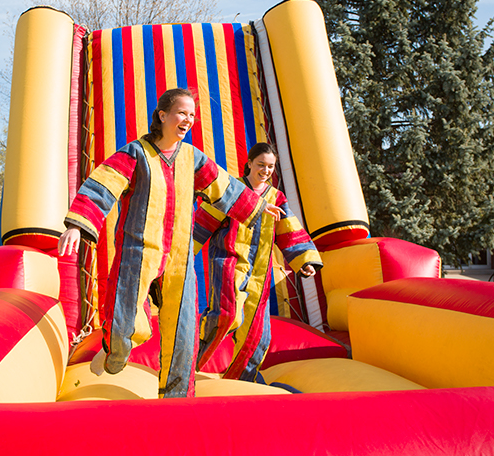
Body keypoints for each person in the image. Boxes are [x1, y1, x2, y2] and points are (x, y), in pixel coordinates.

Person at [58, 88, 283, 398]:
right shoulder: (135, 153)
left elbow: (223, 185)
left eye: (191, 115)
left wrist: (256, 206)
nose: (188, 120)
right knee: (123, 324)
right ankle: (115, 351)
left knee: (184, 334)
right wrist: (76, 225)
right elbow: (104, 183)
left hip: (179, 257)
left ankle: (177, 400)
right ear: (162, 115)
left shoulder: (192, 158)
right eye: (181, 113)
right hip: (138, 252)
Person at [194, 142, 322, 382]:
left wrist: (304, 260)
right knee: (228, 315)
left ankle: (241, 379)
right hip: (229, 262)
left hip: (260, 272)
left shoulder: (276, 197)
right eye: (261, 164)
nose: (265, 170)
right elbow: (204, 221)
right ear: (249, 163)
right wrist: (184, 251)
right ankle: (191, 362)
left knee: (257, 335)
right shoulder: (232, 190)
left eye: (270, 166)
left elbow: (288, 230)